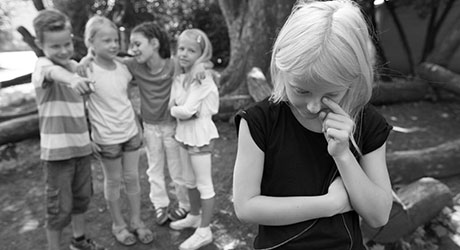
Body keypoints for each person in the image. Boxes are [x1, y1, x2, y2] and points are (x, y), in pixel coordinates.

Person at [232, 0, 393, 249]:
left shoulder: (367, 123)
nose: (313, 107)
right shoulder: (259, 121)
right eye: (302, 90)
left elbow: (379, 215)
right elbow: (245, 207)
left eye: (331, 94)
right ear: (282, 68)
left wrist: (344, 156)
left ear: (352, 81)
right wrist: (330, 204)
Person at [31, 9, 105, 250]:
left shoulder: (74, 66)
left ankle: (79, 240)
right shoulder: (42, 66)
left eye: (66, 44)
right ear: (39, 44)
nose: (63, 51)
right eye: (55, 47)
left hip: (81, 149)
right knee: (57, 206)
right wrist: (73, 79)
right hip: (57, 155)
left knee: (82, 198)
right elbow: (54, 72)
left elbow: (81, 69)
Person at [82, 15, 153, 246]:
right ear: (91, 42)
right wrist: (86, 136)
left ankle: (136, 221)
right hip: (106, 138)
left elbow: (126, 98)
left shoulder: (123, 67)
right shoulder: (86, 69)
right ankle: (118, 225)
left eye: (115, 40)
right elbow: (79, 107)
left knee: (133, 178)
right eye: (106, 41)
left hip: (130, 133)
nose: (113, 45)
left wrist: (139, 125)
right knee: (113, 181)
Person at [168, 28, 219, 250]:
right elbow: (174, 106)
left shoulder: (202, 77)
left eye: (191, 50)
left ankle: (205, 230)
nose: (184, 54)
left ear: (201, 53)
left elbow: (187, 110)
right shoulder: (180, 77)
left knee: (204, 184)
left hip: (200, 136)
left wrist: (177, 110)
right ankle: (195, 216)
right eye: (181, 48)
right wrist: (178, 110)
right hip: (184, 135)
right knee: (189, 181)